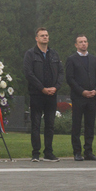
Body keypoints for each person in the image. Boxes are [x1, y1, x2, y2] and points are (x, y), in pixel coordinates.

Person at [23, 27, 63, 162]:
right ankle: (35, 153)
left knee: (50, 124)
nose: (45, 37)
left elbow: (61, 73)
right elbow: (29, 73)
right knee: (36, 124)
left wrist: (56, 87)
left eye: (46, 35)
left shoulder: (54, 54)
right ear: (36, 38)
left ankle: (48, 153)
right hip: (36, 94)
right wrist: (42, 88)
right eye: (42, 35)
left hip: (52, 94)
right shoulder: (30, 54)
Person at [65, 34, 96, 161]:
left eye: (85, 41)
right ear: (76, 45)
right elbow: (70, 79)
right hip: (78, 97)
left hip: (92, 98)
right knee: (76, 125)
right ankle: (77, 152)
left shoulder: (93, 59)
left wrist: (95, 90)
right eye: (80, 42)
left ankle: (88, 152)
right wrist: (82, 91)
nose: (83, 44)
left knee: (90, 125)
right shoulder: (72, 59)